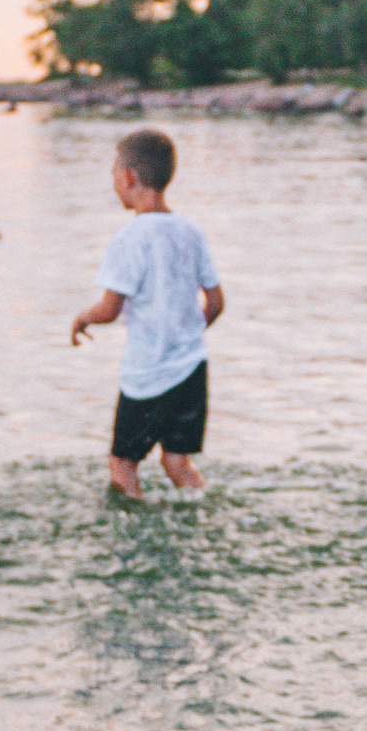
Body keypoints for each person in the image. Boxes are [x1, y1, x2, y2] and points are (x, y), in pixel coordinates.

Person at [70, 128, 226, 499]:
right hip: (191, 368)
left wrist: (83, 318)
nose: (114, 181)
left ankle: (133, 527)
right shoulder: (191, 232)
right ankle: (201, 509)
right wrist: (185, 335)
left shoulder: (129, 239)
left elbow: (110, 309)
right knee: (176, 462)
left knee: (122, 464)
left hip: (146, 375)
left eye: (113, 173)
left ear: (128, 177)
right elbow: (216, 302)